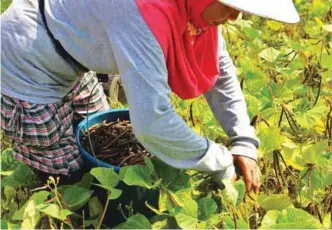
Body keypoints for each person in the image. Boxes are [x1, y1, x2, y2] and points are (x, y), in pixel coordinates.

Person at [1, 0, 300, 192]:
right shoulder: (141, 12)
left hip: (72, 54)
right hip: (25, 60)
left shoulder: (190, 7)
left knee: (96, 141)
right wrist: (219, 159)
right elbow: (152, 123)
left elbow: (218, 68)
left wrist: (243, 142)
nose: (234, 16)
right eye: (229, 5)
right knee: (70, 176)